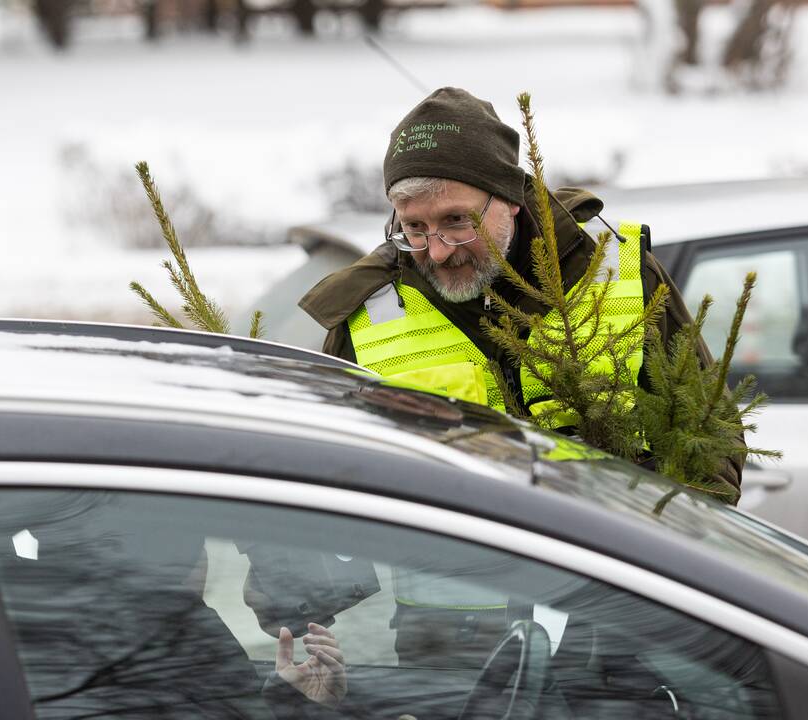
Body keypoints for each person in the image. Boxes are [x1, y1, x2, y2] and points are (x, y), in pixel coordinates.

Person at [298, 87, 743, 665]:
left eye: (456, 221)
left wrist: (659, 571)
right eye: (413, 227)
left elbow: (709, 434)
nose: (435, 251)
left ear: (509, 198)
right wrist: (298, 601)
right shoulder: (370, 316)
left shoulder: (618, 273)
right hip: (451, 658)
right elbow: (323, 476)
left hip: (616, 642)